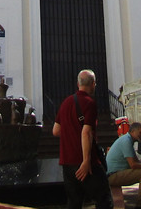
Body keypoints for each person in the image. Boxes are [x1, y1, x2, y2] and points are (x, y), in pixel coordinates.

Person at [52, 69, 112, 209]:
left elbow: (56, 131)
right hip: (86, 164)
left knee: (74, 203)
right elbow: (86, 132)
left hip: (67, 163)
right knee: (104, 200)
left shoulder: (66, 102)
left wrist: (71, 133)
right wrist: (86, 161)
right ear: (93, 84)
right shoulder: (89, 103)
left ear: (78, 84)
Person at [105, 122, 141, 209]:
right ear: (133, 131)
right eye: (140, 132)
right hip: (113, 175)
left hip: (114, 174)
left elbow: (136, 161)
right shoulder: (126, 141)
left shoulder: (127, 140)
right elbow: (133, 165)